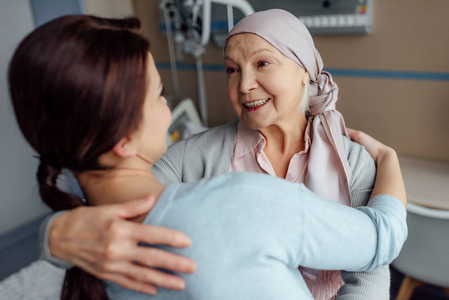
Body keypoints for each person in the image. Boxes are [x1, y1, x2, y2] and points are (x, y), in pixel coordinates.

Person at [40, 9, 396, 299]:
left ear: (304, 70)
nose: (243, 85)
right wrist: (54, 233)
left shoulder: (352, 160)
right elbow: (117, 213)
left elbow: (369, 276)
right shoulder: (193, 155)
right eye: (231, 70)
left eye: (263, 64)